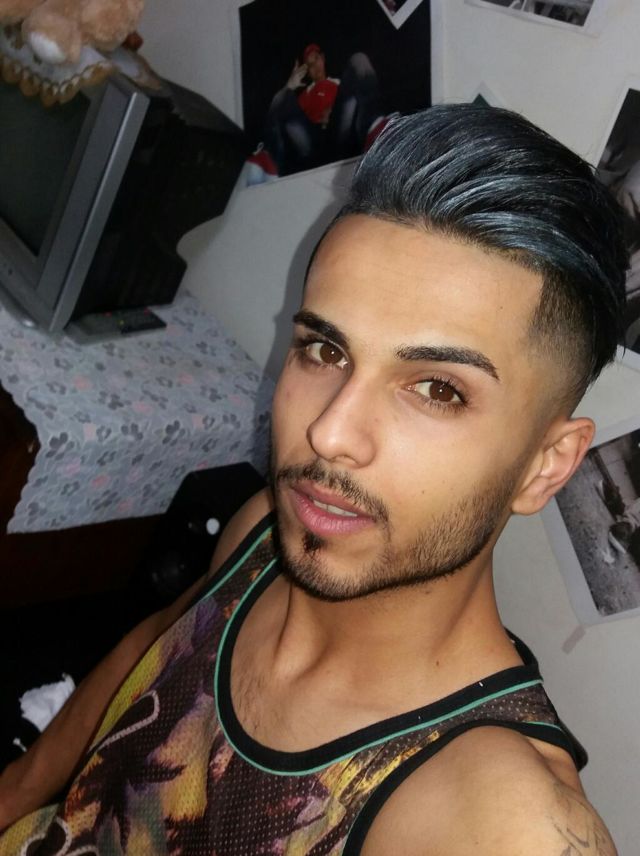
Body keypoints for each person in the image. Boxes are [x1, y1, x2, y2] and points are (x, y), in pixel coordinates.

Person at [0, 104, 628, 854]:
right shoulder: (268, 531)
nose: (329, 434)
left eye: (437, 389)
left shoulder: (501, 820)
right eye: (325, 351)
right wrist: (18, 792)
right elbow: (158, 649)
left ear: (544, 466)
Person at [246, 43, 392, 184]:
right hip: (311, 145)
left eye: (316, 59)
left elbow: (351, 105)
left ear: (323, 58)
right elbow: (289, 120)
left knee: (359, 60)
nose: (314, 65)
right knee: (282, 97)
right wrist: (290, 85)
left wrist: (333, 113)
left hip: (340, 136)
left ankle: (376, 132)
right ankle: (269, 160)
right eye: (309, 65)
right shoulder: (304, 96)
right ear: (307, 72)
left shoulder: (339, 85)